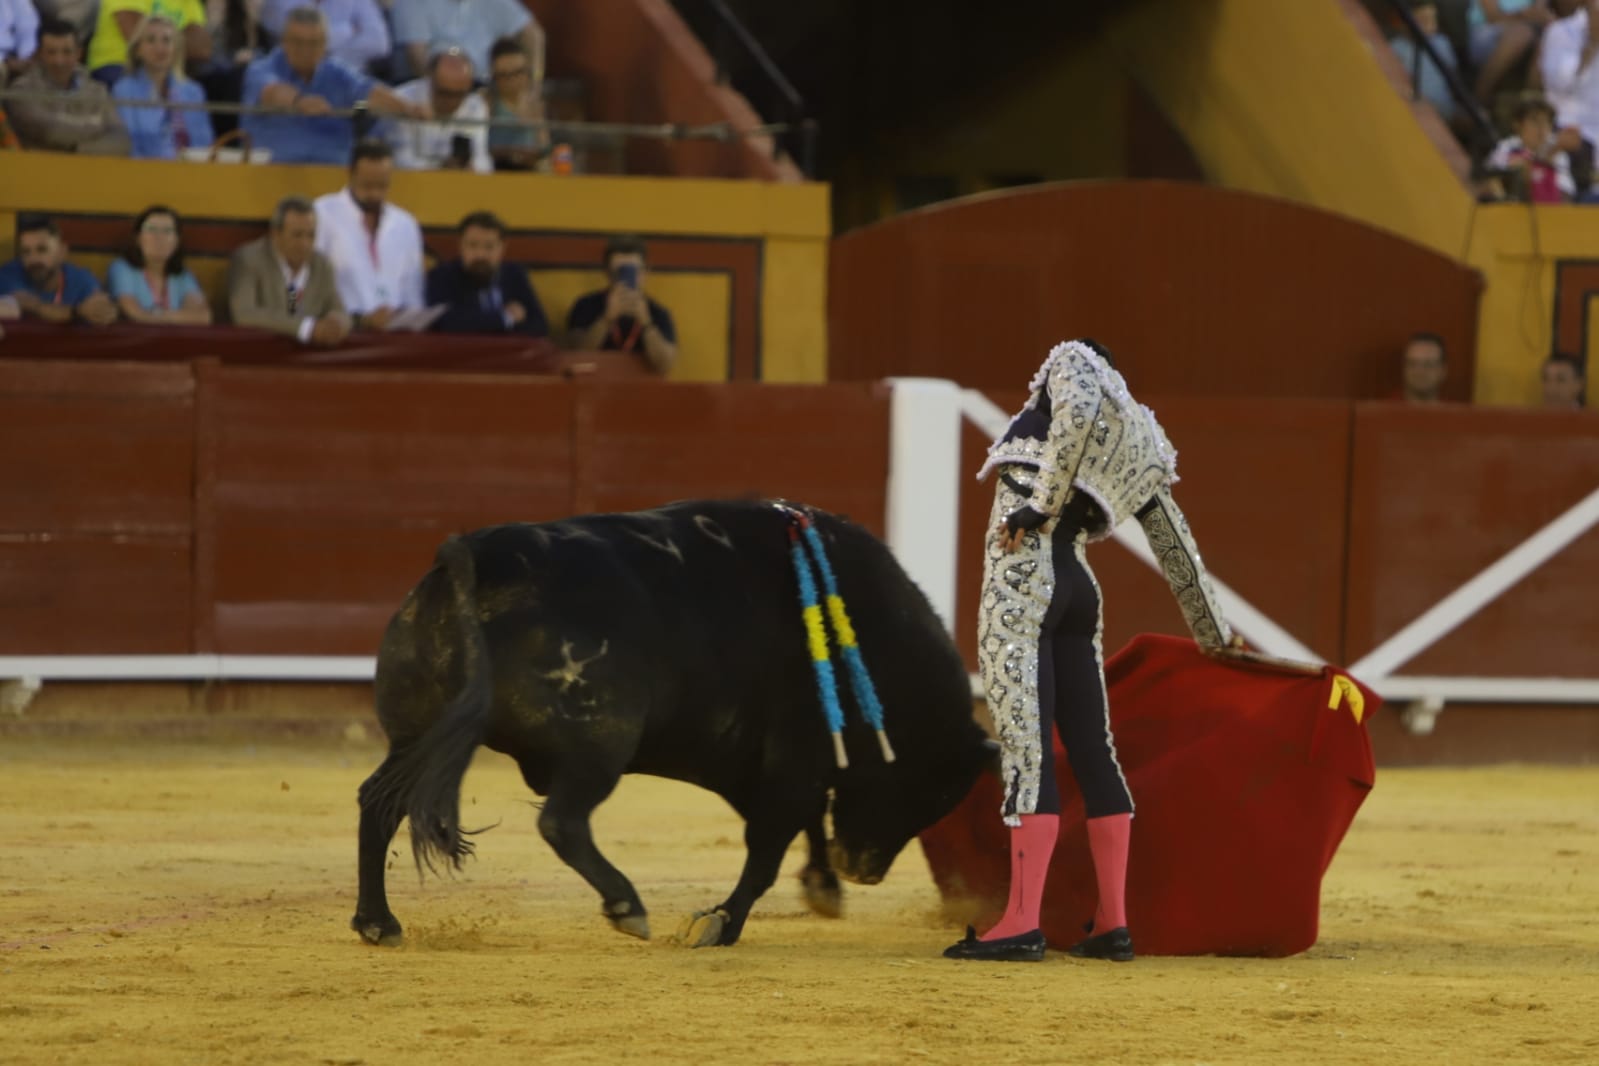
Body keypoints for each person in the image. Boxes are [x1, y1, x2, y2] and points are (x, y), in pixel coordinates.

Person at [943, 339, 1236, 964]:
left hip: (1023, 581)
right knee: (1095, 752)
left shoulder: (1072, 363)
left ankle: (1021, 922)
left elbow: (1075, 406)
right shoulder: (1136, 437)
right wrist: (1215, 635)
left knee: (1027, 749)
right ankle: (1112, 923)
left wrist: (1039, 506)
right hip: (1079, 589)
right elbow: (1176, 545)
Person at [240, 5, 425, 166]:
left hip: (335, 173)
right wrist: (299, 101)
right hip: (272, 172)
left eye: (313, 43)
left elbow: (368, 91)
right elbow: (271, 92)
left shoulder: (337, 72)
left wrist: (408, 108)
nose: (305, 50)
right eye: (297, 42)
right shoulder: (262, 68)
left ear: (325, 44)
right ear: (284, 41)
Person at [313, 138, 426, 330]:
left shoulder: (406, 225)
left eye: (382, 186)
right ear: (350, 174)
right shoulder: (321, 213)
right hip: (341, 331)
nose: (374, 194)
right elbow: (302, 286)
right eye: (367, 186)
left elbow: (413, 293)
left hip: (395, 334)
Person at [227, 194, 350, 346]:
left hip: (311, 355)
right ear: (276, 234)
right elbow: (245, 314)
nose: (305, 244)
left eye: (311, 235)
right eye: (297, 235)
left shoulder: (322, 265)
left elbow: (340, 311)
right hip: (262, 353)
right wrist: (306, 328)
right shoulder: (249, 260)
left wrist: (336, 323)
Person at [7, 16, 132, 154]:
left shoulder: (98, 91)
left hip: (88, 166)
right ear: (39, 54)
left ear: (79, 53)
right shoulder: (21, 91)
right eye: (51, 52)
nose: (59, 61)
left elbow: (121, 141)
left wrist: (78, 151)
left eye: (67, 52)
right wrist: (97, 124)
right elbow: (50, 130)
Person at [565, 236, 678, 374]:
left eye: (633, 271)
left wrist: (646, 323)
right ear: (607, 272)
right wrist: (606, 319)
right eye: (619, 272)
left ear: (646, 271)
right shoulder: (586, 305)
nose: (625, 277)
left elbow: (665, 365)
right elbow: (577, 355)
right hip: (595, 382)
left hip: (641, 384)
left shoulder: (657, 312)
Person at [426, 210, 548, 337]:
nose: (480, 254)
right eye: (472, 245)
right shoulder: (442, 276)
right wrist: (505, 318)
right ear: (461, 246)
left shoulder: (514, 274)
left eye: (489, 247)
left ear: (502, 247)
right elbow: (444, 323)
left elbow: (540, 326)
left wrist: (479, 323)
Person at [111, 14, 215, 159]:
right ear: (138, 49)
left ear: (176, 48)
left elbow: (205, 143)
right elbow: (128, 145)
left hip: (191, 169)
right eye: (151, 40)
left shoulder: (193, 91)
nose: (159, 48)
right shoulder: (124, 90)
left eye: (166, 40)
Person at [0, 214, 119, 326]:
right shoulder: (8, 275)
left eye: (42, 250)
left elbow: (104, 309)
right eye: (26, 252)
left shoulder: (81, 279)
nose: (33, 258)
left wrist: (102, 311)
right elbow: (30, 304)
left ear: (62, 252)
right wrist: (78, 312)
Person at [390, 0, 542, 85]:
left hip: (485, 87)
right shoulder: (412, 3)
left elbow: (533, 35)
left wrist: (534, 83)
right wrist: (449, 91)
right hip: (435, 89)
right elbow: (416, 59)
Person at [390, 46, 491, 172]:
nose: (451, 101)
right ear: (430, 80)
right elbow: (400, 159)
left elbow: (482, 158)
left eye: (459, 94)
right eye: (444, 93)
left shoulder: (475, 105)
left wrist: (471, 167)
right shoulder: (401, 101)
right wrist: (441, 168)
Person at [107, 205, 212, 324]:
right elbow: (133, 314)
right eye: (151, 229)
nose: (159, 237)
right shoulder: (122, 269)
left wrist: (156, 315)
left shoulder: (183, 275)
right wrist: (178, 317)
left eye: (167, 231)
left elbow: (203, 316)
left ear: (177, 241)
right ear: (138, 238)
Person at [85, 0, 212, 85]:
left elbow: (202, 50)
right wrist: (176, 40)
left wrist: (159, 40)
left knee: (213, 78)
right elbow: (137, 36)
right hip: (118, 63)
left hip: (168, 68)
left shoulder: (189, 2)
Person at [257, 0, 389, 74]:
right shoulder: (279, 3)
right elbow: (302, 43)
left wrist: (330, 57)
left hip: (351, 78)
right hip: (296, 83)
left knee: (367, 105)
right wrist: (347, 30)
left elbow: (379, 44)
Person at [1488, 96, 1577, 200]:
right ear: (1517, 124)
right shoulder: (1506, 146)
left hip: (1554, 204)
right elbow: (1492, 173)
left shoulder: (1557, 150)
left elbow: (1564, 191)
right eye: (1535, 121)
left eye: (1546, 122)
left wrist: (1550, 155)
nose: (1541, 128)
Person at [483, 36, 547, 172]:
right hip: (495, 170)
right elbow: (479, 145)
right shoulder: (488, 103)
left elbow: (544, 147)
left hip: (528, 171)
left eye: (518, 73)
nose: (513, 81)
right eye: (505, 75)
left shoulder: (534, 104)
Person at [1398, 331, 1450, 402]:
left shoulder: (1455, 408)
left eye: (1428, 364)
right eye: (1413, 363)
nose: (1420, 371)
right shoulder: (1385, 407)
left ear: (1443, 370)